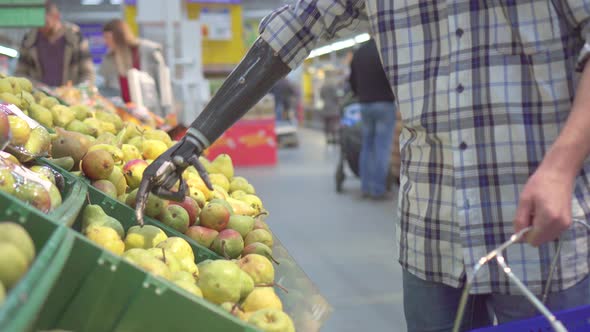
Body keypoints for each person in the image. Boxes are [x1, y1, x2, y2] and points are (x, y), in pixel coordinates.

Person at [138, 1, 590, 331]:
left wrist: (562, 165)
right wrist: (193, 140)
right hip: (431, 232)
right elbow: (289, 33)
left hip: (538, 229)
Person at [349, 38, 395, 199]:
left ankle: (365, 187)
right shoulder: (386, 49)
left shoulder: (359, 52)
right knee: (381, 147)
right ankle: (378, 190)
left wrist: (360, 93)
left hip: (365, 104)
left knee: (367, 146)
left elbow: (352, 80)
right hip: (384, 103)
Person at [99, 19, 171, 117]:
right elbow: (107, 88)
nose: (105, 41)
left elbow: (163, 87)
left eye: (107, 37)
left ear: (119, 36)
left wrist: (167, 113)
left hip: (151, 112)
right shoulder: (109, 59)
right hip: (125, 113)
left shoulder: (148, 52)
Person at [15, 1, 94, 86]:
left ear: (56, 17)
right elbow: (20, 73)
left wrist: (80, 90)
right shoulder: (29, 40)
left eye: (44, 22)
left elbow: (87, 72)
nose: (41, 28)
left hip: (69, 96)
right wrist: (35, 85)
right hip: (39, 96)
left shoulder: (75, 36)